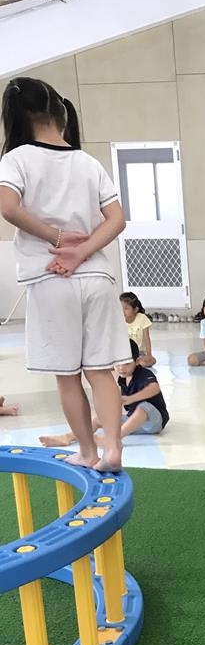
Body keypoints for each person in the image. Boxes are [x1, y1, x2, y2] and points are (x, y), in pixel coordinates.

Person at [0, 77, 128, 470]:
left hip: (51, 278)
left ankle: (88, 451)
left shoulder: (17, 159)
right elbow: (117, 219)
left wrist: (57, 239)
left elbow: (8, 206)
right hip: (97, 277)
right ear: (60, 113)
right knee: (101, 371)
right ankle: (113, 450)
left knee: (67, 375)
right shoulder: (88, 162)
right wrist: (83, 251)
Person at [39, 340, 169, 447]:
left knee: (143, 407)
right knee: (99, 418)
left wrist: (130, 399)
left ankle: (112, 440)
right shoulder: (122, 378)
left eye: (127, 364)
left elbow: (154, 388)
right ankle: (68, 437)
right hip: (135, 423)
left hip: (155, 422)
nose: (121, 368)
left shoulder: (144, 374)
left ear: (137, 361)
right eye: (118, 364)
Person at [120, 291, 156, 366]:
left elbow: (147, 338)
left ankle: (133, 364)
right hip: (125, 353)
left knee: (150, 360)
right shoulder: (119, 320)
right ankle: (133, 365)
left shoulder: (142, 318)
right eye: (120, 308)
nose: (122, 311)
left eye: (126, 308)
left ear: (135, 309)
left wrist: (149, 354)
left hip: (140, 353)